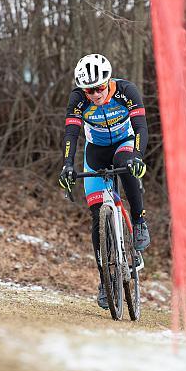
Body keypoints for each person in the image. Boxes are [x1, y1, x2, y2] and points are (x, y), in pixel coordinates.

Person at [58, 53, 151, 310]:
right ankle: (104, 280)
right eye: (89, 90)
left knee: (127, 166)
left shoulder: (126, 91)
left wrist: (138, 155)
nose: (95, 95)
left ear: (108, 81)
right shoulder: (78, 99)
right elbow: (71, 133)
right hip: (95, 152)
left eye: (99, 88)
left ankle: (140, 221)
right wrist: (67, 164)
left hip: (124, 143)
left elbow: (142, 127)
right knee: (97, 214)